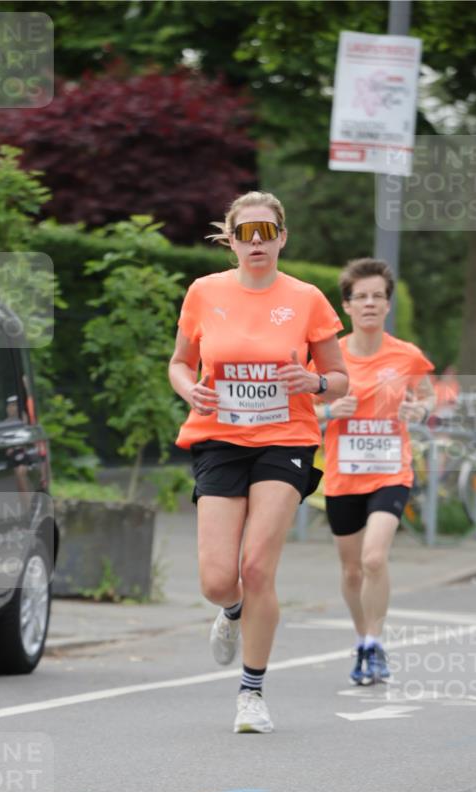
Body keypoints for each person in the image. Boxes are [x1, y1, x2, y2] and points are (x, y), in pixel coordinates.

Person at [168, 191, 349, 733]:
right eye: (245, 233)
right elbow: (180, 363)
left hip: (285, 439)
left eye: (266, 232)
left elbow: (339, 378)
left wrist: (314, 382)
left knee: (256, 568)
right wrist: (189, 391)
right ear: (231, 239)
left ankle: (252, 692)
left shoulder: (307, 298)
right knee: (219, 579)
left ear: (281, 238)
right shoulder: (204, 292)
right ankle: (231, 611)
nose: (257, 243)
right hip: (220, 438)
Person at [313, 258, 435, 686]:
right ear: (346, 306)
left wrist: (418, 408)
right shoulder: (331, 359)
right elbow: (302, 408)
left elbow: (427, 397)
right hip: (344, 475)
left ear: (387, 304)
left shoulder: (406, 355)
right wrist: (329, 410)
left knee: (373, 557)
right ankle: (362, 636)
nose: (369, 304)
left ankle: (375, 644)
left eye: (377, 297)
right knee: (350, 570)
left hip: (390, 472)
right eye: (360, 297)